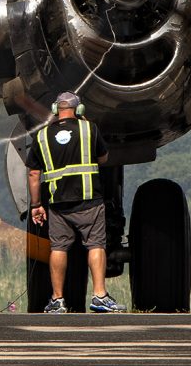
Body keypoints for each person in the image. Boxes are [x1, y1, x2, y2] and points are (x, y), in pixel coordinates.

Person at [25, 91, 126, 313]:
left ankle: (57, 299)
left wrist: (36, 205)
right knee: (96, 244)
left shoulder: (41, 136)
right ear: (79, 110)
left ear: (55, 110)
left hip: (58, 204)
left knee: (59, 248)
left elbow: (33, 173)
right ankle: (99, 295)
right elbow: (103, 158)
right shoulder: (89, 129)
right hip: (88, 200)